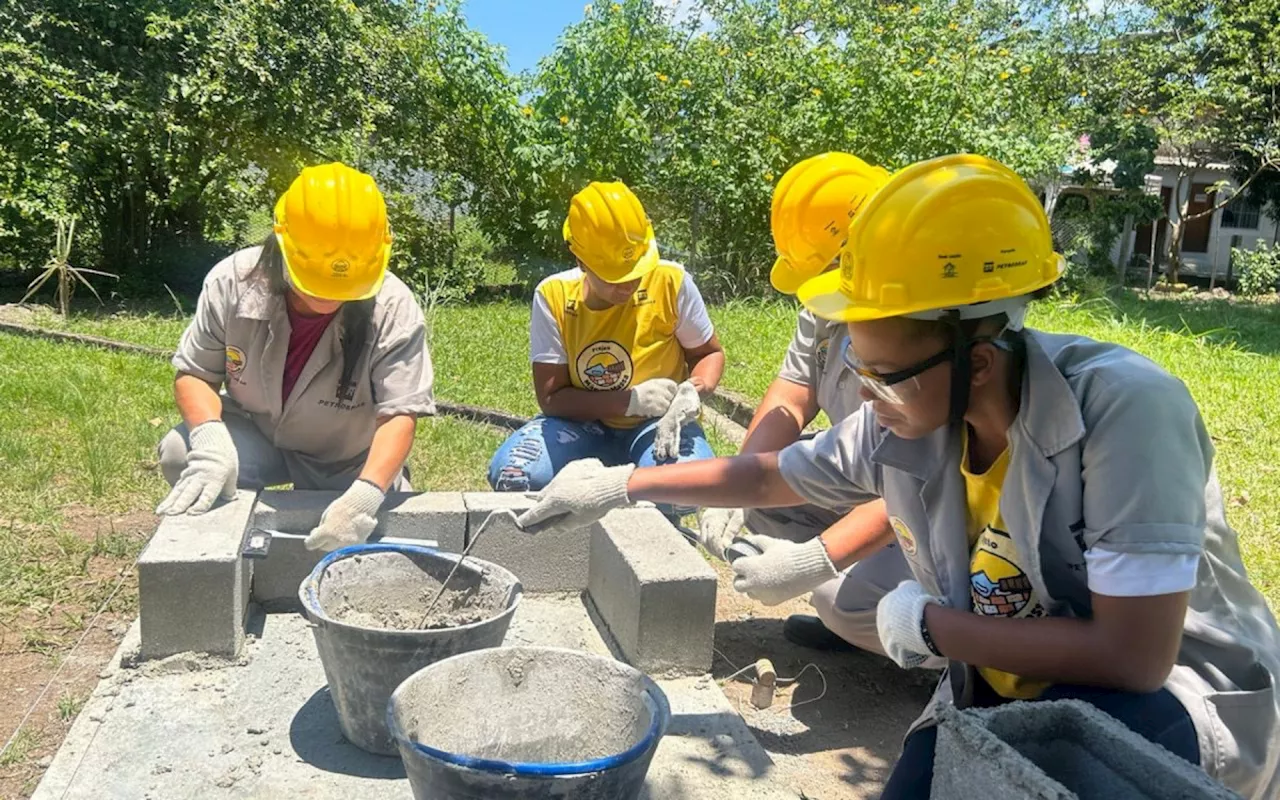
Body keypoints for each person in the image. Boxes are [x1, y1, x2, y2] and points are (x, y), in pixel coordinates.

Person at [513, 154, 1280, 799]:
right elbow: (768, 477)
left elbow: (1132, 656)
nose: (866, 398)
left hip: (1167, 698)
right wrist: (619, 487)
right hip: (1002, 675)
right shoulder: (915, 411)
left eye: (881, 377)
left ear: (976, 359)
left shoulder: (1124, 412)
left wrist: (930, 626)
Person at [697, 152, 928, 660]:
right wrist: (736, 484)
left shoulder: (923, 322)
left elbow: (919, 483)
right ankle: (868, 612)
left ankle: (954, 659)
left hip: (926, 507)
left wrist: (817, 561)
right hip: (867, 475)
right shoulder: (825, 308)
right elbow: (790, 395)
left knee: (836, 598)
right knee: (764, 500)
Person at [156, 162, 434, 553]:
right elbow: (195, 374)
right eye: (315, 280)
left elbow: (400, 413)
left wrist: (365, 497)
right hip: (261, 436)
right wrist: (210, 441)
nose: (329, 296)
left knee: (371, 537)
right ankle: (222, 546)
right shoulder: (231, 282)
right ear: (282, 245)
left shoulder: (393, 305)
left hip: (345, 458)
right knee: (179, 452)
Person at [487, 180, 724, 518]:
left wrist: (693, 390)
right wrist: (628, 401)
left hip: (657, 426)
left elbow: (708, 354)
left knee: (682, 492)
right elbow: (552, 398)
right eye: (615, 276)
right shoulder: (553, 297)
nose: (629, 284)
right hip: (582, 424)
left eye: (636, 272)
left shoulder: (670, 282)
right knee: (516, 477)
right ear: (581, 260)